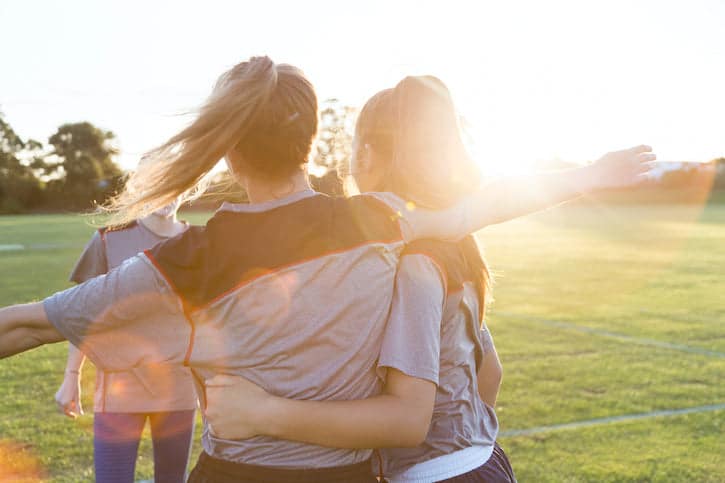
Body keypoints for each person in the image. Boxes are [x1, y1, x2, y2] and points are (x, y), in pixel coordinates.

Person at [0, 56, 654, 482]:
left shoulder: (185, 261)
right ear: (311, 139)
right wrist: (593, 173)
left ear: (229, 151)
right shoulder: (379, 217)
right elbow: (480, 206)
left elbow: (25, 326)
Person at [202, 75, 515, 482]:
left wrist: (264, 412)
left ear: (365, 154)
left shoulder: (413, 266)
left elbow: (407, 421)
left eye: (351, 145)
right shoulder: (456, 245)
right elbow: (489, 374)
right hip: (485, 460)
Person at [53, 200, 196, 483]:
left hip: (179, 389)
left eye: (175, 185)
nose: (167, 196)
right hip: (119, 390)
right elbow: (83, 313)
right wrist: (72, 375)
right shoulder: (109, 238)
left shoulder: (198, 241)